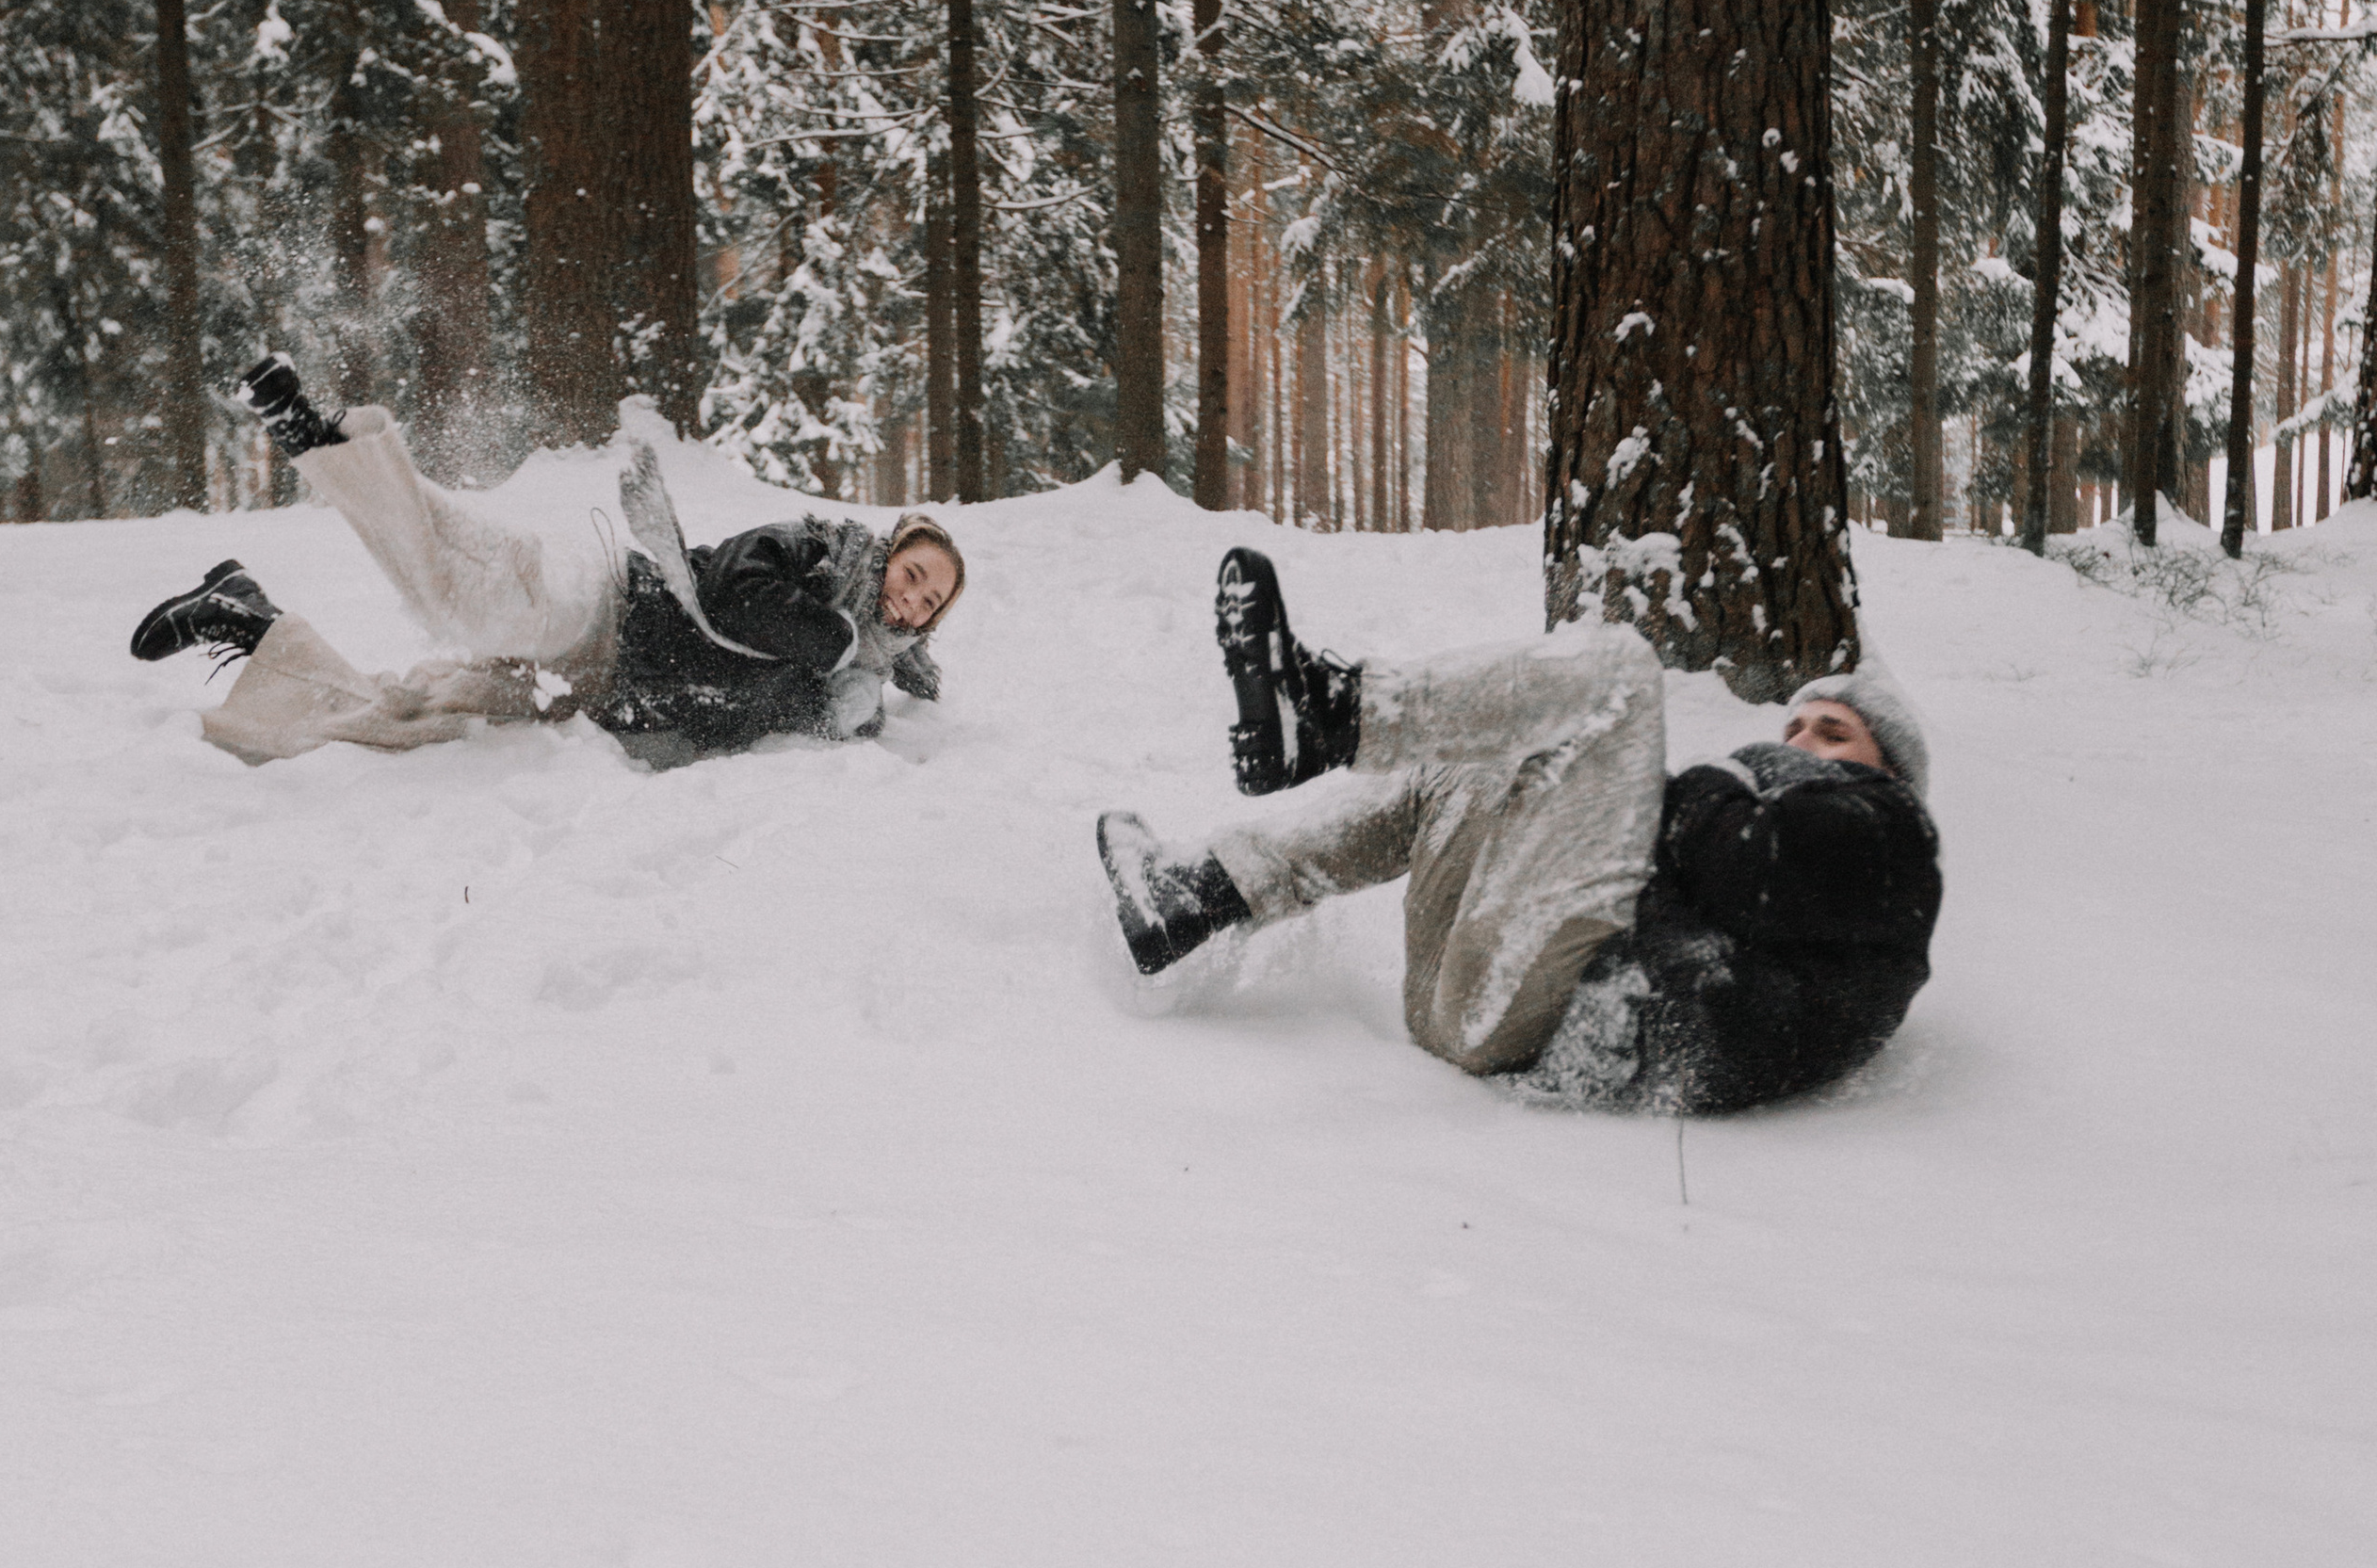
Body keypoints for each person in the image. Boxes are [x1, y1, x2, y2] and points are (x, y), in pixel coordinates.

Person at [1095, 549, 1942, 1113]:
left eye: (1833, 734)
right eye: (1797, 728)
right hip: (1481, 1005)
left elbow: (1739, 869)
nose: (1799, 743)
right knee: (1476, 758)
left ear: (1892, 773)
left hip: (1571, 1027)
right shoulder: (1769, 816)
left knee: (1618, 669)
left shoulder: (1889, 839)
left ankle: (1335, 714)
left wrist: (1706, 781)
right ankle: (1199, 894)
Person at [129, 357, 965, 770]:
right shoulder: (817, 551)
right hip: (604, 606)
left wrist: (853, 690)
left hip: (593, 694)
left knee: (405, 724)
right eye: (915, 571)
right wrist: (843, 649)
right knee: (469, 590)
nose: (913, 596)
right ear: (892, 550)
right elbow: (735, 597)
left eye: (930, 602)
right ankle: (323, 439)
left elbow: (742, 716)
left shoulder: (854, 677)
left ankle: (252, 619)